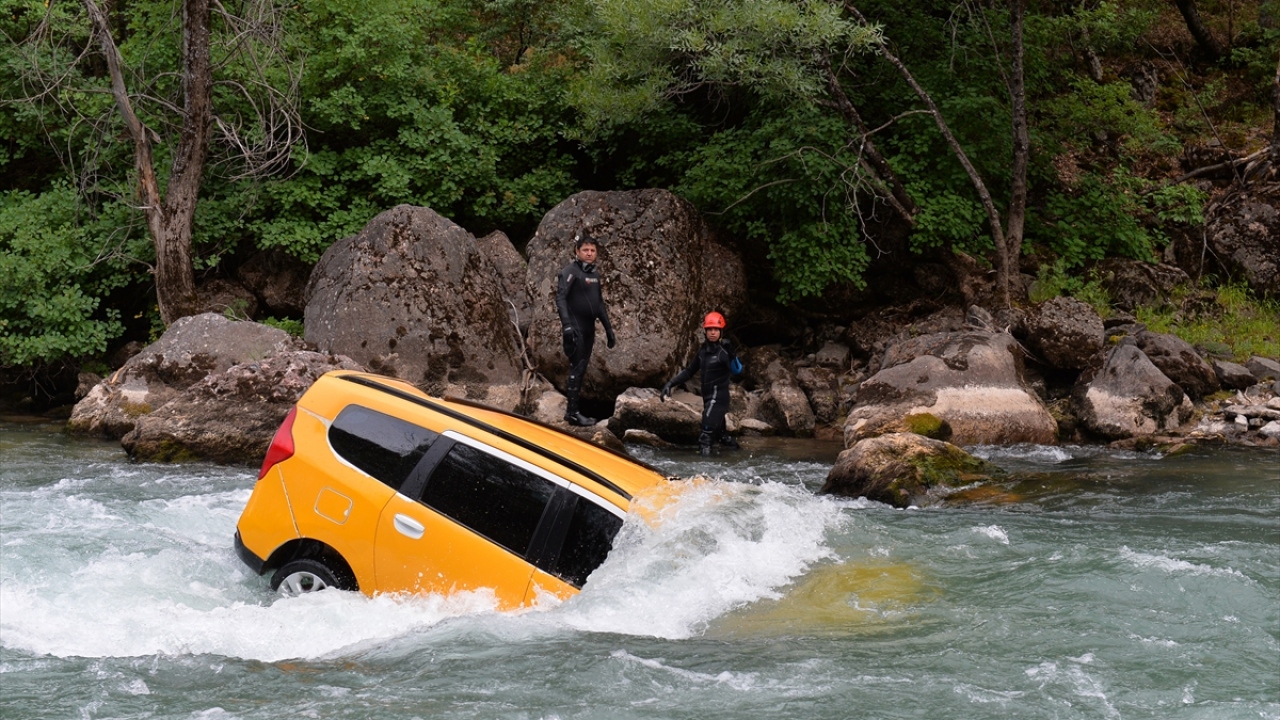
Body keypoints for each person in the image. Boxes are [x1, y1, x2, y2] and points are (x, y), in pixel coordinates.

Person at [660, 311, 743, 455]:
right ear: (705, 331)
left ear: (721, 331)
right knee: (721, 437)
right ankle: (740, 457)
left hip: (718, 400)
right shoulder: (703, 352)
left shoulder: (724, 352)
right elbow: (689, 371)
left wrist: (732, 354)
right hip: (708, 400)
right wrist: (670, 384)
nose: (713, 332)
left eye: (716, 329)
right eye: (710, 329)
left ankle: (703, 468)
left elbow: (737, 371)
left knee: (705, 437)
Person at [556, 233, 616, 426]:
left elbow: (599, 304)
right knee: (576, 368)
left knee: (582, 369)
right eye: (585, 250)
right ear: (577, 251)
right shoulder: (570, 271)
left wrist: (608, 329)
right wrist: (566, 325)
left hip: (589, 329)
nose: (589, 253)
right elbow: (561, 299)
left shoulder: (594, 274)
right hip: (575, 329)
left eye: (592, 250)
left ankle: (574, 411)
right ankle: (572, 413)